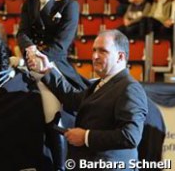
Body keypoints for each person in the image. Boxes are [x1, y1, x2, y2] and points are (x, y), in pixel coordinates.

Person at [27, 29, 148, 170]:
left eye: (103, 51)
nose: (95, 56)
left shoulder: (130, 88)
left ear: (120, 57)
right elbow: (72, 98)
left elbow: (130, 136)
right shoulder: (100, 84)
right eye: (94, 50)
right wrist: (46, 70)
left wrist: (86, 137)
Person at [17, 0, 88, 170]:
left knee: (52, 111)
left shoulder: (69, 5)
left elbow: (61, 45)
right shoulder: (30, 3)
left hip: (53, 65)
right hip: (29, 61)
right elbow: (22, 32)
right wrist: (28, 48)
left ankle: (59, 164)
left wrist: (39, 59)